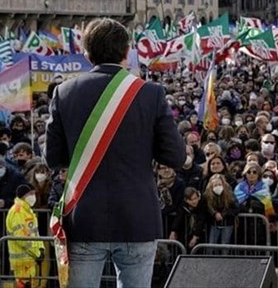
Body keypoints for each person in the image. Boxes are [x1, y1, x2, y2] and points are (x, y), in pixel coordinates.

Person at [45, 18, 186, 288]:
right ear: (126, 52)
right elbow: (175, 157)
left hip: (84, 217)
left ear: (87, 53)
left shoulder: (64, 92)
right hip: (137, 218)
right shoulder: (150, 93)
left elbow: (53, 158)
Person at [202, 174, 239, 253]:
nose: (217, 187)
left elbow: (236, 208)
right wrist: (214, 214)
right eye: (215, 185)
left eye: (219, 184)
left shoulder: (230, 194)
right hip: (213, 224)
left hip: (227, 223)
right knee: (211, 244)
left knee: (225, 245)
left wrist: (223, 214)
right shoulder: (206, 196)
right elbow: (205, 209)